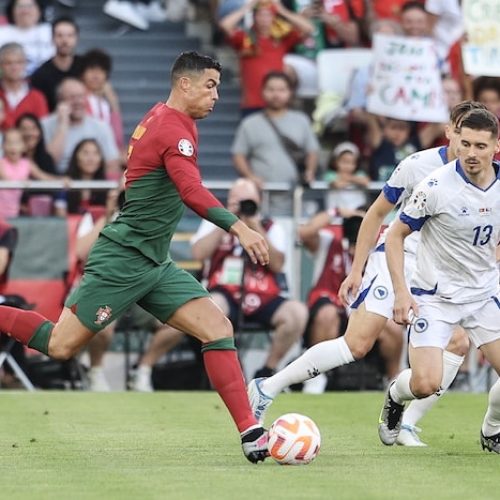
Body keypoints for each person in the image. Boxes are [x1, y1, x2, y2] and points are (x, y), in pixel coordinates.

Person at [0, 51, 270, 463]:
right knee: (60, 345)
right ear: (185, 84)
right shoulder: (170, 128)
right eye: (210, 85)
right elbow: (191, 191)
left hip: (154, 262)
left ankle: (251, 431)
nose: (216, 95)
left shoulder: (168, 119)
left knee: (217, 327)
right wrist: (240, 226)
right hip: (123, 258)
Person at [247, 100, 483, 446]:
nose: (468, 145)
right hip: (397, 258)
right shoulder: (417, 166)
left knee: (458, 342)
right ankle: (268, 387)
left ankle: (406, 423)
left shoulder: (485, 175)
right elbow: (373, 216)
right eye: (462, 134)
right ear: (451, 132)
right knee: (357, 344)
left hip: (441, 270)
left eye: (477, 140)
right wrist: (355, 270)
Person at [378, 107, 500, 453]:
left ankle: (492, 430)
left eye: (480, 146)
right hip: (436, 297)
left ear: (495, 146)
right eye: (465, 144)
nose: (471, 153)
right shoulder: (434, 186)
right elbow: (394, 236)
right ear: (455, 141)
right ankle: (395, 396)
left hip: (483, 295)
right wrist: (402, 293)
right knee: (426, 383)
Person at [191, 177, 308, 379]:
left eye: (247, 200)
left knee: (297, 313)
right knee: (212, 309)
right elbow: (198, 253)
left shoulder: (271, 226)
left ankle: (268, 371)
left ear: (258, 201)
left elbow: (278, 264)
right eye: (237, 199)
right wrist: (227, 221)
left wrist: (254, 226)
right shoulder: (213, 220)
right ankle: (234, 373)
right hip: (225, 290)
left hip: (263, 293)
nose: (242, 204)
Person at [232, 71, 320, 215]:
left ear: (290, 92)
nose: (276, 94)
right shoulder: (250, 123)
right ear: (263, 92)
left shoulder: (301, 121)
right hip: (261, 197)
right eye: (271, 89)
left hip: (294, 196)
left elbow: (312, 151)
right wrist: (250, 177)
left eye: (281, 90)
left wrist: (310, 171)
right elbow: (238, 155)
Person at [219, 0, 313, 115]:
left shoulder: (281, 39)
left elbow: (308, 28)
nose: (264, 19)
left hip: (277, 104)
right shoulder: (245, 39)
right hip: (251, 104)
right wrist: (248, 7)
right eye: (260, 15)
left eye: (268, 15)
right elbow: (225, 25)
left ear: (273, 18)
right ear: (254, 17)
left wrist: (281, 10)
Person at [41, 78, 121, 177]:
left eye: (81, 96)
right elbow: (48, 163)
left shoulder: (101, 127)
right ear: (60, 101)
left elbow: (112, 164)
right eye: (72, 97)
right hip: (55, 183)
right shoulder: (45, 125)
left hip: (92, 184)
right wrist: (63, 125)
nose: (78, 102)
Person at [0, 127, 61, 219]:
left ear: (24, 146)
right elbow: (7, 180)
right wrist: (24, 182)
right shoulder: (1, 163)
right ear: (3, 146)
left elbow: (43, 176)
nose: (13, 147)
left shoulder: (27, 164)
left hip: (14, 213)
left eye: (16, 142)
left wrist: (62, 180)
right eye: (9, 143)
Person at [30, 16, 83, 112]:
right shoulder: (41, 75)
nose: (65, 41)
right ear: (52, 39)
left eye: (70, 35)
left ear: (77, 38)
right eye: (59, 35)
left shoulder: (86, 68)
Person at [80, 48, 125, 152]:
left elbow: (118, 140)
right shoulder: (79, 99)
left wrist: (113, 102)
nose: (96, 75)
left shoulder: (106, 102)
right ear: (82, 73)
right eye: (91, 70)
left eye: (101, 71)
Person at [0, 42, 49, 131]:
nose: (14, 67)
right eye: (8, 63)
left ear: (25, 64)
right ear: (1, 65)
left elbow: (43, 131)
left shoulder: (37, 97)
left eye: (19, 62)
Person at [0, 0, 54, 75]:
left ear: (39, 10)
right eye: (20, 7)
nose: (25, 11)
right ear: (12, 10)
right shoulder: (2, 32)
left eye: (30, 6)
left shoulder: (51, 31)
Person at [323, 141, 369, 211]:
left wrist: (348, 178)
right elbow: (337, 184)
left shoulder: (359, 174)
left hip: (357, 213)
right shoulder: (330, 175)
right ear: (336, 162)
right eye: (344, 162)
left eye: (352, 163)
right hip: (337, 213)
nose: (348, 166)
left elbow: (366, 182)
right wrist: (354, 180)